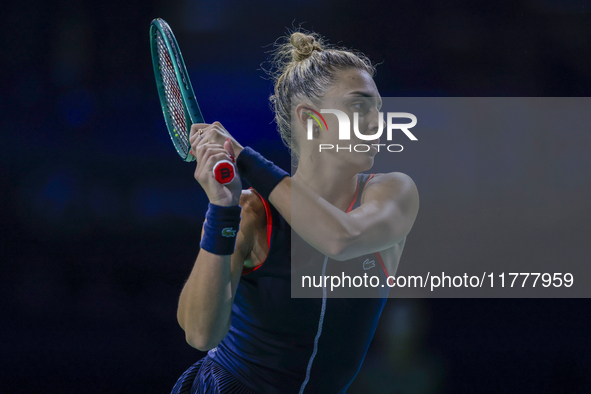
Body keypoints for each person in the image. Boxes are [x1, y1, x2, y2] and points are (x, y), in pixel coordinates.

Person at [170, 28, 419, 394]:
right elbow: (200, 333)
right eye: (359, 106)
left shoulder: (393, 191)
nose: (376, 122)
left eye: (378, 109)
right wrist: (221, 210)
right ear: (311, 120)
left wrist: (245, 158)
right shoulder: (253, 212)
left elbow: (340, 238)